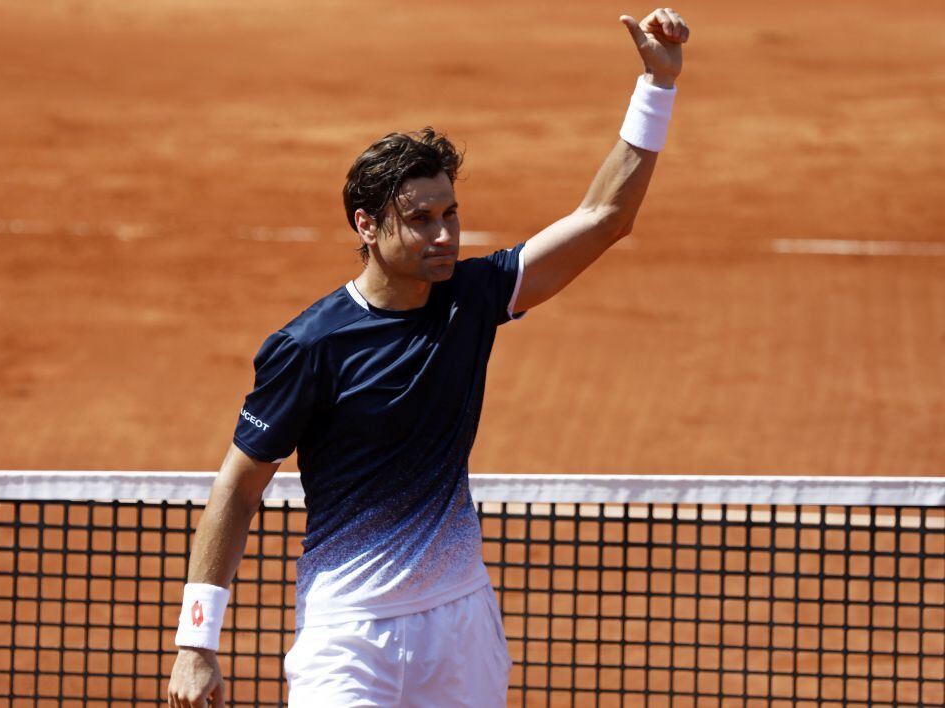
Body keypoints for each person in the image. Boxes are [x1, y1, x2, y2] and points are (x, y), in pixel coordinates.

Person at [168, 8, 689, 707]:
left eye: (450, 213)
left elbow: (605, 219)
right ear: (367, 224)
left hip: (462, 624)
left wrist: (656, 86)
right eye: (420, 219)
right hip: (348, 637)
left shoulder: (473, 298)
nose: (444, 234)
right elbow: (237, 488)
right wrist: (196, 645)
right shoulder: (311, 346)